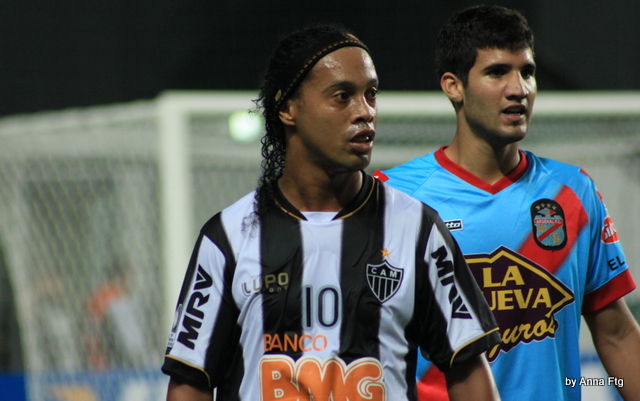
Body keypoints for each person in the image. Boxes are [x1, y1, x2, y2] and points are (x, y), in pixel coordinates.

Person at [161, 24, 501, 401]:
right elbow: (190, 382)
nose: (365, 112)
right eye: (342, 96)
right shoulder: (229, 236)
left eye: (371, 94)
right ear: (288, 108)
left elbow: (468, 370)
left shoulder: (417, 229)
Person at [374, 5, 640, 401]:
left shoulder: (572, 192)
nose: (519, 89)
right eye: (497, 72)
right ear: (453, 86)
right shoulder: (394, 196)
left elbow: (616, 333)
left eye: (527, 72)